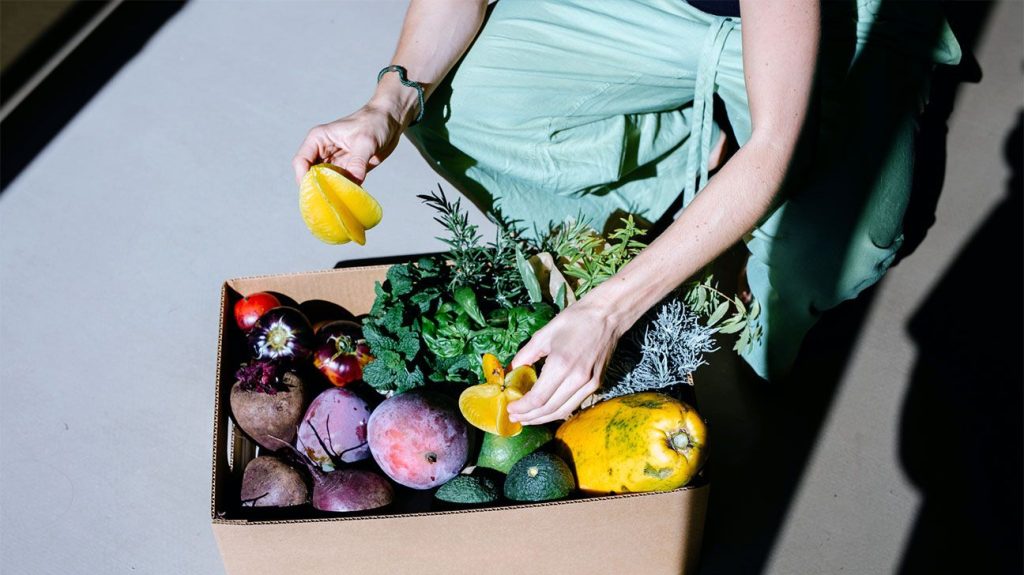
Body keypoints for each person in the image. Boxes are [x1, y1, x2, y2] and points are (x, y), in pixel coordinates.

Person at [293, 0, 960, 426]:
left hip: (828, 23)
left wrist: (609, 312)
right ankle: (677, 166)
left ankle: (876, 95)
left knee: (828, 253)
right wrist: (385, 105)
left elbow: (777, 141)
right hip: (652, 13)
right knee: (453, 106)